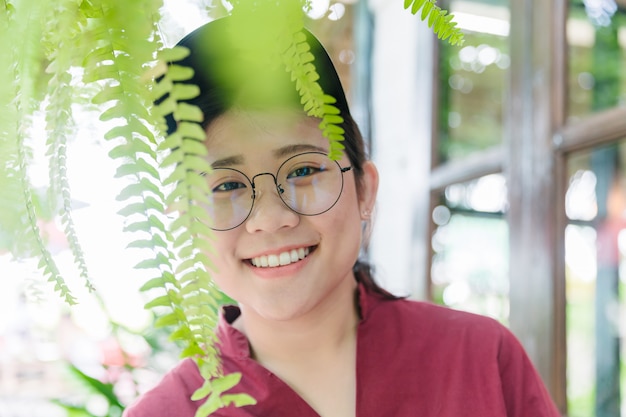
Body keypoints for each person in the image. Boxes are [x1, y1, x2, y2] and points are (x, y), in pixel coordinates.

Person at [123, 16, 561, 417]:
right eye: (225, 186)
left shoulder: (481, 358)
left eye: (304, 171)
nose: (271, 218)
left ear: (364, 189)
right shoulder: (166, 411)